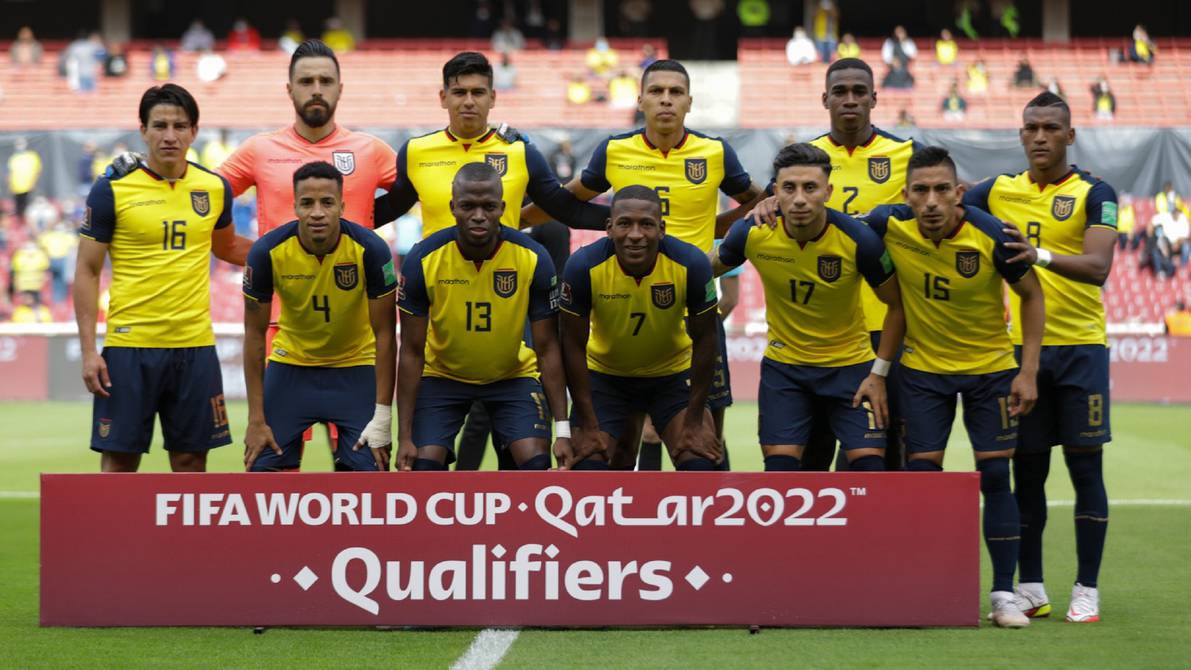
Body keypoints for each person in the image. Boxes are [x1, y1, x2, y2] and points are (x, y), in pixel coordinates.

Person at [523, 58, 768, 469]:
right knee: (619, 444)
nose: (666, 100)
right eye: (657, 92)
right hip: (626, 292)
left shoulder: (715, 152)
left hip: (692, 301)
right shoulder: (616, 149)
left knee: (707, 439)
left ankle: (711, 522)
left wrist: (715, 230)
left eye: (675, 93)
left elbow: (758, 205)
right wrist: (519, 217)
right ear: (640, 100)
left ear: (690, 102)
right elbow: (569, 199)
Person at [373, 51, 608, 471]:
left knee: (517, 452)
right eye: (459, 92)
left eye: (478, 92)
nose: (468, 101)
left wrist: (624, 221)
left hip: (506, 300)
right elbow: (387, 209)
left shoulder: (519, 151)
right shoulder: (417, 151)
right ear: (442, 97)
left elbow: (561, 207)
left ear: (493, 97)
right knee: (443, 448)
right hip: (442, 305)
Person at [863, 146, 1046, 628]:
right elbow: (834, 224)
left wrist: (1026, 371)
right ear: (905, 195)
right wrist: (769, 204)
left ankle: (1004, 595)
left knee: (994, 478)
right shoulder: (888, 224)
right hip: (923, 373)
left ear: (959, 193)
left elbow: (1032, 296)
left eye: (942, 190)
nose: (930, 201)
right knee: (922, 482)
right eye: (920, 191)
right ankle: (920, 589)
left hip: (990, 373)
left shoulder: (991, 235)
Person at [964, 91, 1118, 624]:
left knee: (1085, 469)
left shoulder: (1095, 191)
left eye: (1051, 128)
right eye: (1031, 128)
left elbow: (1099, 266)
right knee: (1025, 475)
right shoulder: (998, 190)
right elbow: (937, 205)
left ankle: (1087, 588)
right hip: (1019, 353)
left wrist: (1041, 255)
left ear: (1069, 136)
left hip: (1080, 350)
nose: (1039, 137)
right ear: (1021, 134)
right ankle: (1031, 585)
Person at [75, 83, 253, 473]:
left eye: (179, 125)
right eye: (159, 125)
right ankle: (119, 538)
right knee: (119, 462)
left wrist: (285, 251)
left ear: (194, 131)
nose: (169, 136)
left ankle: (184, 539)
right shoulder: (112, 189)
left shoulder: (214, 187)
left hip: (195, 347)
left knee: (191, 463)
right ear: (143, 130)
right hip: (129, 348)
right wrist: (90, 350)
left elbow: (226, 248)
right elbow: (87, 270)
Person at [712, 143, 905, 472]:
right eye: (789, 188)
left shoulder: (859, 239)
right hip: (786, 371)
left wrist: (879, 374)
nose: (799, 198)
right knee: (782, 469)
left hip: (852, 369)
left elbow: (896, 306)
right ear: (775, 192)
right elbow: (702, 270)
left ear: (828, 191)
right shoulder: (752, 232)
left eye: (810, 188)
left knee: (870, 467)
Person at [768, 58, 917, 472]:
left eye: (858, 91)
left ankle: (880, 536)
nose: (849, 99)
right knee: (813, 450)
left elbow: (947, 202)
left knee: (885, 449)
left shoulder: (907, 155)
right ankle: (818, 536)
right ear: (825, 99)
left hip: (888, 322)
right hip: (826, 332)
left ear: (874, 97)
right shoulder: (803, 163)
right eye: (840, 92)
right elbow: (765, 212)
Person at [396, 163, 568, 471]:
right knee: (423, 468)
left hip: (512, 376)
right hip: (443, 377)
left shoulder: (532, 257)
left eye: (488, 206)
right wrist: (404, 436)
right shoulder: (423, 259)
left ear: (502, 208)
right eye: (468, 206)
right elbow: (410, 351)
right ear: (452, 207)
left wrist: (564, 431)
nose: (478, 215)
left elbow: (547, 348)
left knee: (535, 463)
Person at [242, 161, 397, 472]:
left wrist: (382, 415)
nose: (317, 212)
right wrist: (256, 419)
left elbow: (385, 334)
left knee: (370, 474)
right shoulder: (266, 252)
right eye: (307, 203)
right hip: (291, 370)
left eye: (326, 202)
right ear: (295, 206)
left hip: (354, 369)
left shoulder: (370, 250)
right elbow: (255, 335)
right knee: (261, 474)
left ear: (341, 205)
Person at [561, 186, 720, 471]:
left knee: (700, 464)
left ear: (661, 229)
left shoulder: (691, 263)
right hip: (606, 378)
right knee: (588, 467)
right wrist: (585, 421)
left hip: (671, 377)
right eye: (625, 224)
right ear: (609, 228)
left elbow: (707, 338)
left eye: (646, 224)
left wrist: (695, 420)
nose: (635, 235)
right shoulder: (583, 266)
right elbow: (571, 345)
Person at [7, 137, 41, 221]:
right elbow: (10, 173)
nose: (19, 146)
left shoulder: (31, 156)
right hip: (17, 187)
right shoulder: (13, 158)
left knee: (29, 208)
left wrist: (34, 183)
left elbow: (38, 170)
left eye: (21, 144)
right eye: (18, 144)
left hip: (28, 186)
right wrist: (10, 185)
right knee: (19, 208)